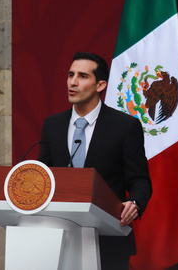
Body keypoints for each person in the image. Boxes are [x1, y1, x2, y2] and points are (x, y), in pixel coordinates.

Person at [38, 51, 152, 269]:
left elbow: (140, 180)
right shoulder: (52, 125)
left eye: (82, 76)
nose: (72, 82)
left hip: (108, 238)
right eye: (70, 74)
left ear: (100, 85)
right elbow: (42, 174)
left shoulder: (125, 126)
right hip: (57, 236)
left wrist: (135, 203)